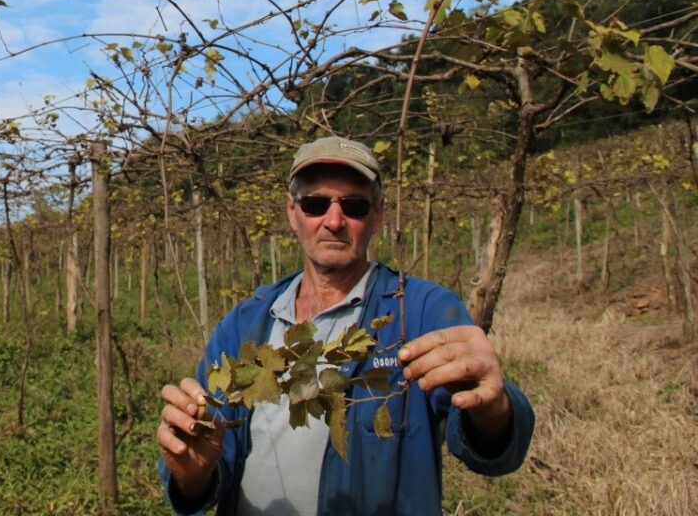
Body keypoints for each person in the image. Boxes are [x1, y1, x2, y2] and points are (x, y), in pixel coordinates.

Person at [157, 136, 534, 515]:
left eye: (353, 206)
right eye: (315, 204)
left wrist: (495, 410)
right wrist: (191, 475)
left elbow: (492, 443)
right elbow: (206, 456)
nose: (334, 221)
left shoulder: (419, 312)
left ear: (378, 213)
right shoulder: (245, 324)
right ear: (292, 211)